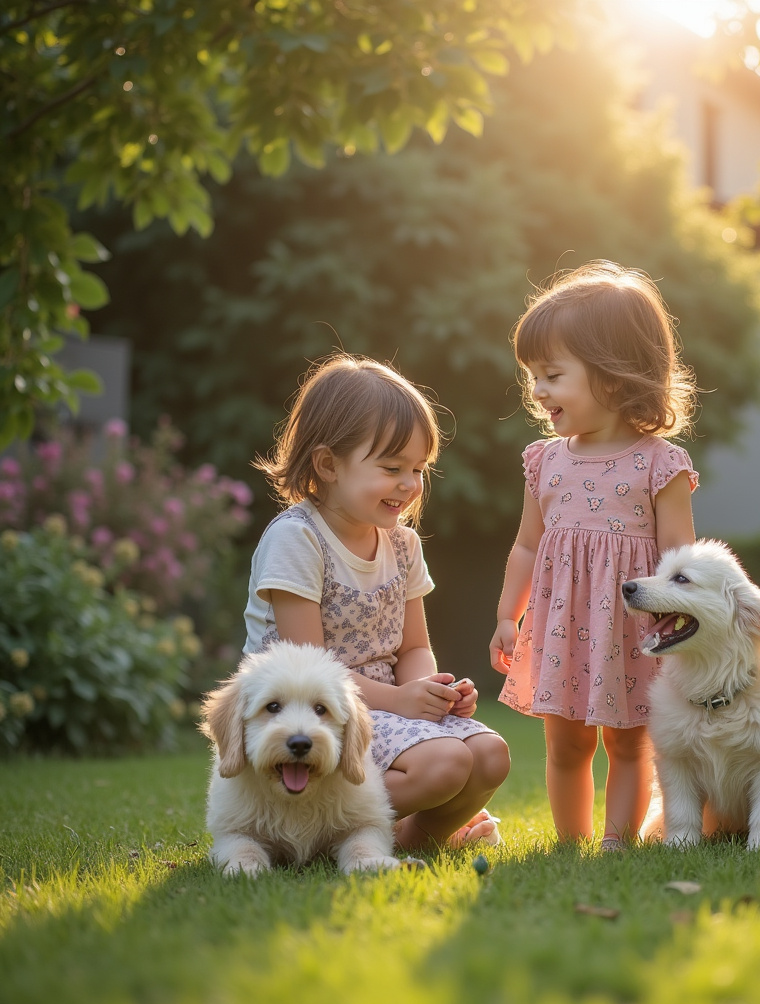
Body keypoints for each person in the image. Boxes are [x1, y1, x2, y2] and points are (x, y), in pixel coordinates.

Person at [243, 351, 509, 851]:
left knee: (491, 753)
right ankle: (298, 829)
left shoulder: (403, 544)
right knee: (446, 762)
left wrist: (430, 693)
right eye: (392, 467)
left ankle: (407, 841)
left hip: (384, 707)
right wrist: (400, 702)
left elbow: (413, 648)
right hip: (317, 715)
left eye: (419, 468)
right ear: (328, 464)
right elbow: (310, 668)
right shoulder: (297, 540)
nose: (409, 485)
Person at [489, 261, 698, 850]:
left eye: (552, 374)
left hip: (634, 628)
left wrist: (683, 627)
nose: (537, 389)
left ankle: (616, 842)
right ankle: (568, 842)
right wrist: (510, 614)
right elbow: (527, 544)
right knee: (566, 743)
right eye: (533, 374)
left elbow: (679, 559)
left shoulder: (661, 464)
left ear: (611, 375)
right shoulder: (544, 461)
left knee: (631, 741)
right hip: (562, 626)